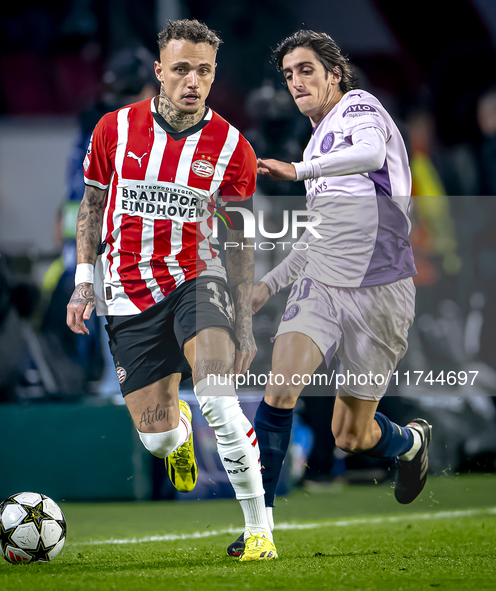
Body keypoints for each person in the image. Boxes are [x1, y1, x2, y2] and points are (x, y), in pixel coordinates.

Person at [66, 19, 276, 561]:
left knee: (217, 398)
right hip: (127, 292)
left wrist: (246, 323)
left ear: (213, 75)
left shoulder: (233, 148)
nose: (192, 80)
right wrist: (82, 285)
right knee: (156, 437)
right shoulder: (113, 129)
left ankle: (260, 532)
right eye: (181, 69)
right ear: (159, 72)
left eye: (203, 70)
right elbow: (90, 207)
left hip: (195, 281)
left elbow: (238, 238)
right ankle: (176, 435)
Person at [226, 30, 432, 557]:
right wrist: (267, 286)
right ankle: (260, 530)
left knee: (350, 435)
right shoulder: (315, 141)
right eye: (289, 74)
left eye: (306, 70)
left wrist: (300, 171)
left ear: (334, 75)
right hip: (324, 286)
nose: (296, 82)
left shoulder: (360, 109)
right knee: (279, 389)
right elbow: (319, 239)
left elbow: (366, 154)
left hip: (383, 288)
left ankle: (409, 443)